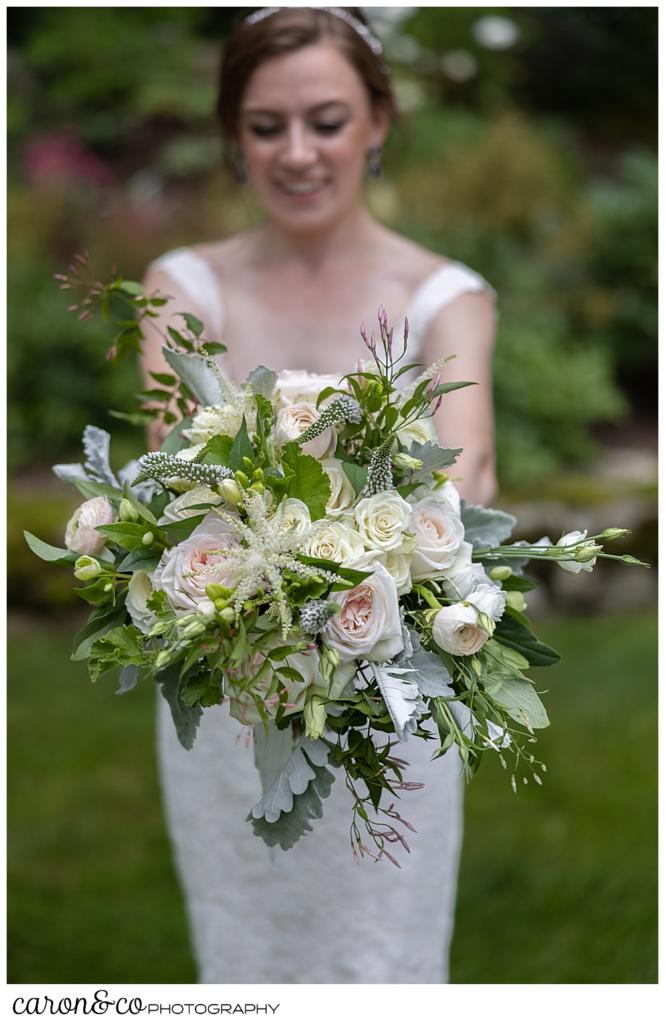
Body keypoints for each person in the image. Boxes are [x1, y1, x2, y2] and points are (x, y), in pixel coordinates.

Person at [140, 7, 497, 985]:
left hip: (390, 677)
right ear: (232, 135)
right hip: (236, 683)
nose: (296, 153)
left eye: (326, 121)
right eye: (265, 126)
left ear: (378, 118)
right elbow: (173, 473)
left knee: (382, 956)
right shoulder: (184, 289)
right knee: (244, 953)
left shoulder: (443, 298)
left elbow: (461, 478)